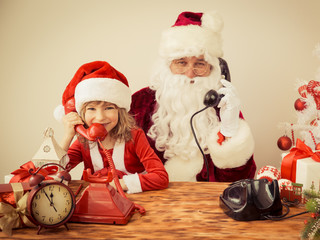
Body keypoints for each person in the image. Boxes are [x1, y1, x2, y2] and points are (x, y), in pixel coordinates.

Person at [130, 11, 256, 182]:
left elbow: (240, 178)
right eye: (181, 62)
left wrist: (230, 128)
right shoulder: (140, 102)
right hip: (152, 196)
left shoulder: (222, 104)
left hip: (206, 201)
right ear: (167, 65)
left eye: (199, 64)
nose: (190, 74)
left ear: (214, 69)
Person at [54, 61, 169, 193]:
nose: (100, 117)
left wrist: (118, 184)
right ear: (81, 114)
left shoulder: (134, 135)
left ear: (120, 111)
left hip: (131, 198)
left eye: (109, 108)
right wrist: (68, 136)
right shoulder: (83, 140)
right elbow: (53, 172)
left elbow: (161, 177)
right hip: (95, 201)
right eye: (92, 109)